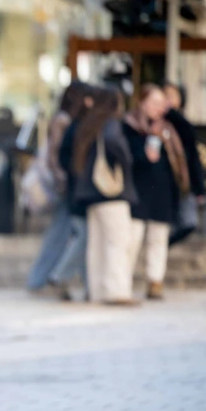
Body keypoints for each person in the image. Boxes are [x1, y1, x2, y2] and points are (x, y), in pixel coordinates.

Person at [60, 87, 139, 305]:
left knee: (97, 246)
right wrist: (125, 161)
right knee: (117, 242)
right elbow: (115, 143)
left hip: (91, 194)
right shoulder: (110, 123)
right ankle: (117, 292)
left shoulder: (88, 123)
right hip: (111, 192)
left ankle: (98, 291)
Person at [123, 84, 190, 300]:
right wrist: (144, 153)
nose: (158, 108)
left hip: (162, 191)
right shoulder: (129, 126)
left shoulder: (169, 128)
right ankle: (123, 282)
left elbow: (186, 144)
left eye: (162, 104)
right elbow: (125, 156)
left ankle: (155, 282)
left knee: (158, 238)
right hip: (137, 190)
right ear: (141, 102)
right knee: (132, 239)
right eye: (154, 103)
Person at [26, 81, 92, 298]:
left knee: (68, 235)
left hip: (67, 185)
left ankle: (54, 280)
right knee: (61, 235)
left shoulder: (67, 119)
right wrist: (62, 180)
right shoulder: (63, 120)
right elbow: (54, 154)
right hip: (64, 186)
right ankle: (41, 280)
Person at [162, 83, 206, 245]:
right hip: (166, 182)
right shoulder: (155, 123)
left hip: (183, 181)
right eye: (165, 96)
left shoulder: (182, 124)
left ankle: (167, 244)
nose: (168, 100)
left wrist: (199, 187)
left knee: (188, 222)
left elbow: (193, 157)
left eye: (172, 96)